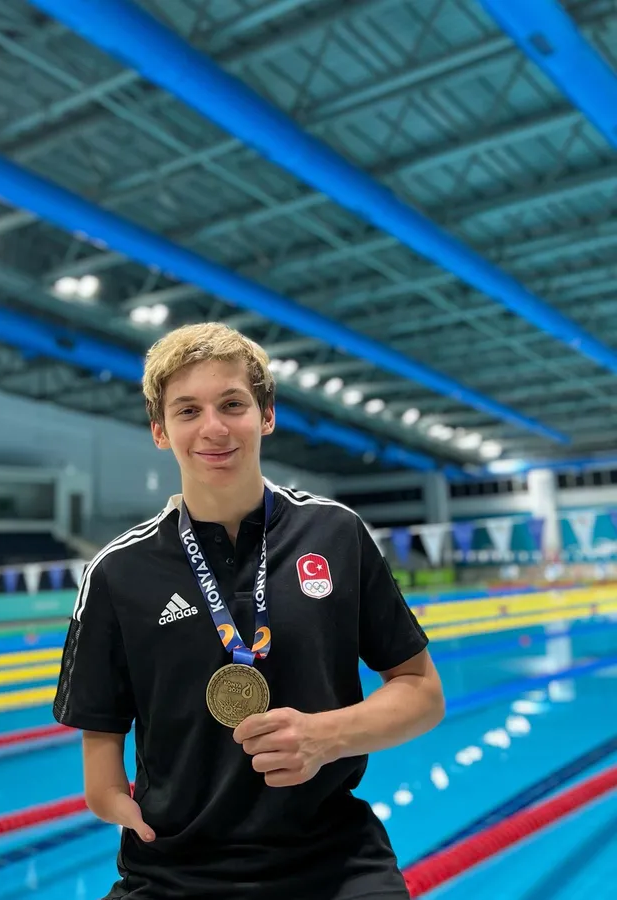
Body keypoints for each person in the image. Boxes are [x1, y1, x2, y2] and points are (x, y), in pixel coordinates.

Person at [53, 322, 445, 900]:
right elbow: (101, 728)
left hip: (334, 862)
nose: (213, 428)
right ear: (160, 430)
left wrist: (326, 735)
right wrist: (112, 800)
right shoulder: (118, 570)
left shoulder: (335, 533)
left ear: (267, 415)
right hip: (173, 874)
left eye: (232, 404)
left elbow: (422, 691)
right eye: (188, 410)